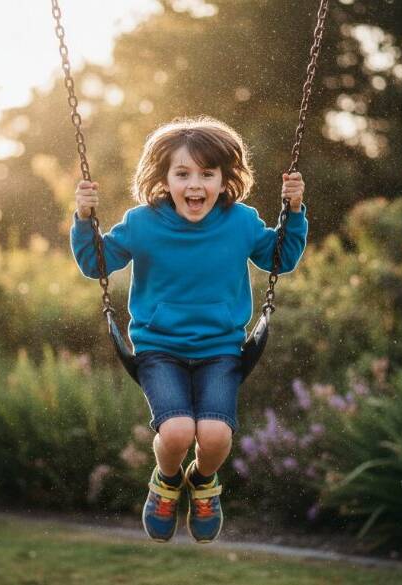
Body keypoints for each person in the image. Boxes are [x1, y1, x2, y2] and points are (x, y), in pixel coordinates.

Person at [70, 116, 308, 543]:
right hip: (159, 348)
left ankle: (203, 484)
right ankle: (165, 482)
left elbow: (280, 258)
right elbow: (96, 263)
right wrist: (84, 217)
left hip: (221, 349)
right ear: (164, 178)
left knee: (215, 435)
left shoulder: (240, 222)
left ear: (224, 179)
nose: (194, 184)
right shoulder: (143, 223)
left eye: (206, 173)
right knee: (177, 430)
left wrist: (293, 211)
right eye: (182, 173)